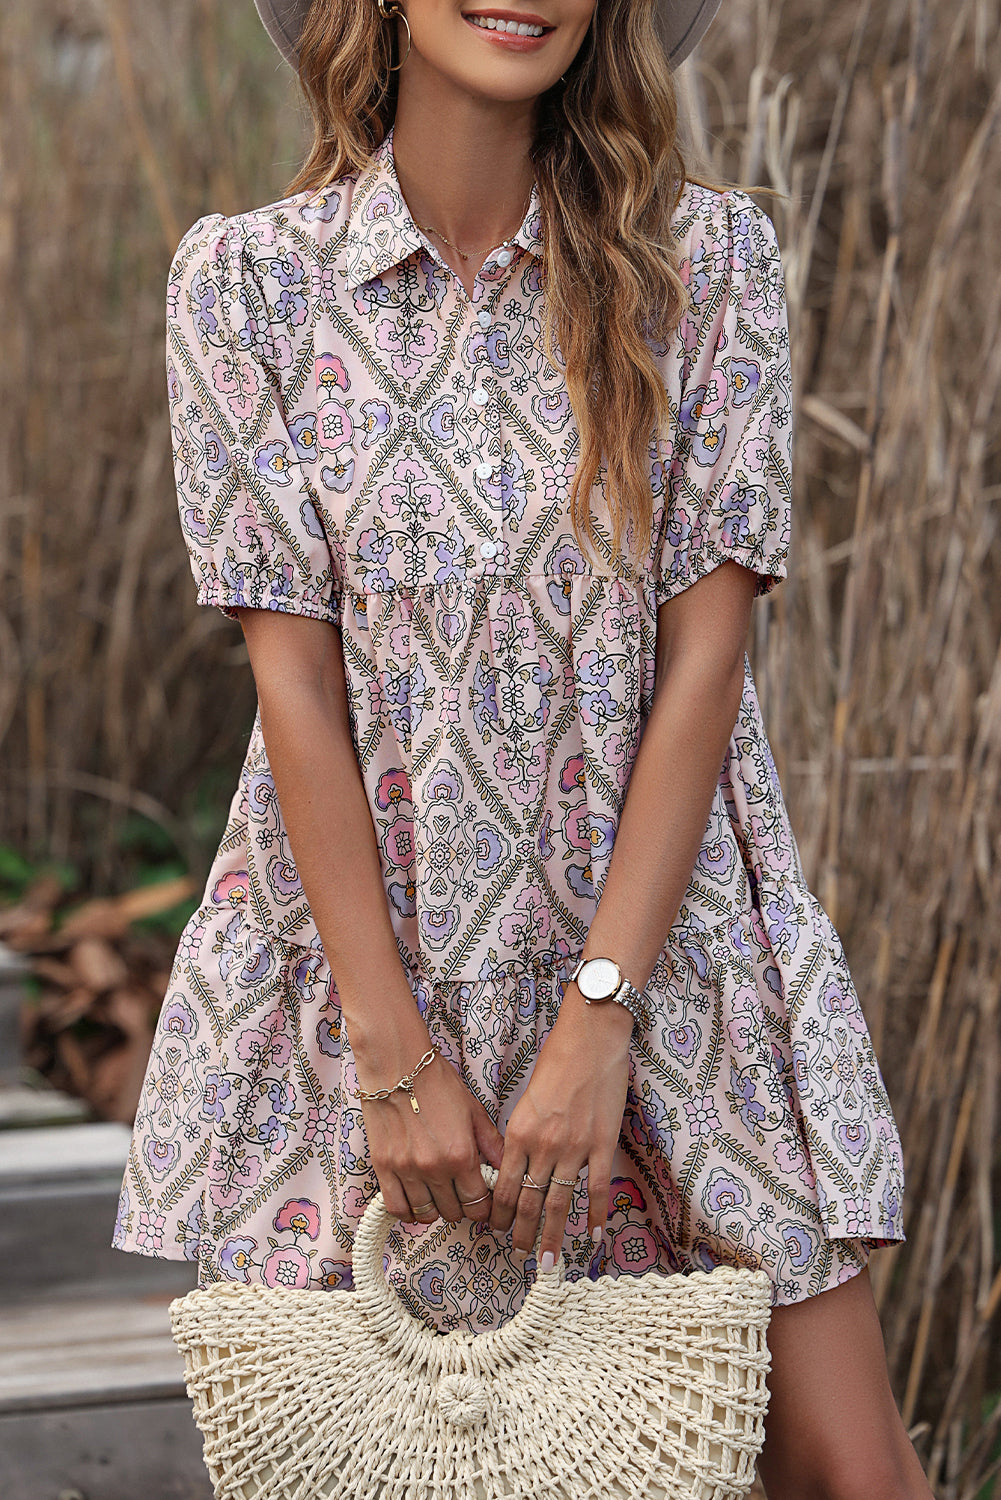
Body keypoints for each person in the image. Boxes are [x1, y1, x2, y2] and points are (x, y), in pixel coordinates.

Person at [113, 0, 934, 1491]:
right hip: (367, 968)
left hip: (672, 957)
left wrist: (601, 1012)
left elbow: (706, 654)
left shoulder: (708, 264)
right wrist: (388, 1055)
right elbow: (291, 687)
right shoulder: (245, 286)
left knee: (848, 1469)